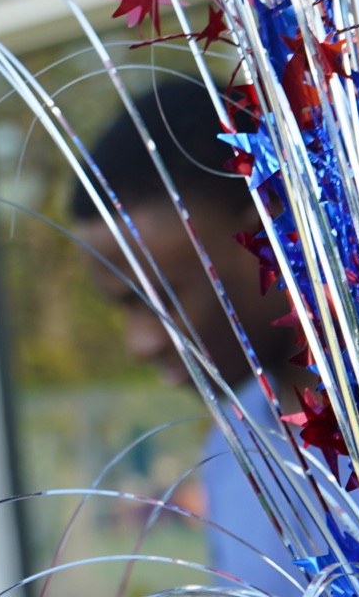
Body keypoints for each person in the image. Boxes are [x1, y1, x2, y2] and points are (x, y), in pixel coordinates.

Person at [73, 78, 305, 585]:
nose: (140, 343)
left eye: (163, 297)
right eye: (124, 308)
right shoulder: (234, 453)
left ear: (266, 239)